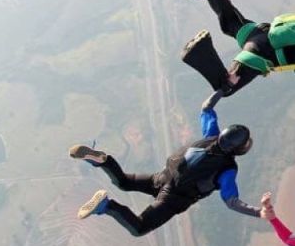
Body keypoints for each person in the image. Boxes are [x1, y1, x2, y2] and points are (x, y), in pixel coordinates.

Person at [70, 99, 258, 237]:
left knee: (124, 182)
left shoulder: (211, 135)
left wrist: (222, 89)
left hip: (162, 177)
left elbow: (206, 108)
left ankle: (103, 161)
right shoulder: (228, 169)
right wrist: (259, 212)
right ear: (238, 150)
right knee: (139, 228)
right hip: (173, 199)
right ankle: (107, 206)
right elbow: (232, 202)